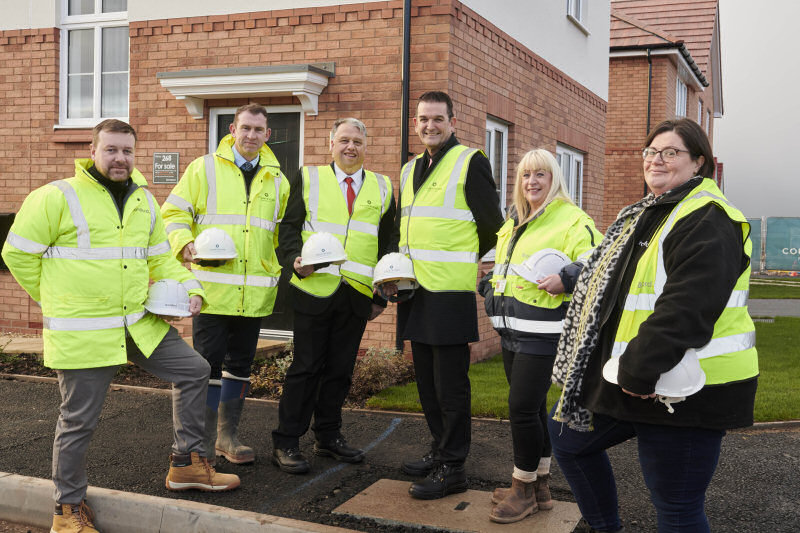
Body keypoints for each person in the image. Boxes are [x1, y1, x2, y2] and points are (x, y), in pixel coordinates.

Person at [1, 119, 240, 533]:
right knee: (79, 421)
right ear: (91, 151)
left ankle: (185, 465)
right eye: (111, 149)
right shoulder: (56, 196)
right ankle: (67, 510)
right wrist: (58, 299)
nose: (120, 158)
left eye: (127, 151)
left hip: (136, 325)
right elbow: (17, 255)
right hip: (85, 333)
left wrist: (190, 285)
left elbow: (160, 258)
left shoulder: (143, 200)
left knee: (195, 370)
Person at [548, 118, 758, 533]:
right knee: (569, 442)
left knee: (677, 508)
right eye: (650, 152)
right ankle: (605, 527)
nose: (655, 160)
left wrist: (639, 370)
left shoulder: (709, 219)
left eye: (670, 152)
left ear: (699, 163)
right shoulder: (649, 214)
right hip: (637, 375)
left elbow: (687, 308)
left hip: (688, 388)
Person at [162, 103, 290, 465]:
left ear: (268, 135)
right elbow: (173, 212)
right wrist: (182, 244)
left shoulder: (278, 179)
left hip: (253, 296)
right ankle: (198, 445)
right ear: (233, 129)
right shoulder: (203, 168)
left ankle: (227, 438)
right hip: (212, 293)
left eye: (258, 130)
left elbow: (283, 233)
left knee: (241, 366)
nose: (251, 135)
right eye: (245, 128)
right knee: (206, 367)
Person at [479, 149, 602, 523]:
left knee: (520, 408)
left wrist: (566, 278)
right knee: (529, 409)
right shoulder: (516, 218)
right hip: (514, 330)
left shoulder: (571, 218)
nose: (532, 182)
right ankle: (540, 484)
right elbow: (506, 265)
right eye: (527, 175)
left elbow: (598, 259)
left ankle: (523, 489)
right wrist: (489, 287)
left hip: (543, 333)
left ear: (555, 180)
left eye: (541, 175)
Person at [271, 117, 397, 474]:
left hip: (357, 293)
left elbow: (388, 243)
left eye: (357, 141)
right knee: (306, 368)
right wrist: (294, 261)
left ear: (366, 146)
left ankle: (328, 437)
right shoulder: (308, 177)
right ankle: (286, 441)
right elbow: (289, 228)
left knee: (340, 370)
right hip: (314, 289)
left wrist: (380, 297)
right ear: (331, 144)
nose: (350, 147)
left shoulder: (383, 187)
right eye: (344, 140)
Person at [397, 91, 504, 500]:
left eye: (437, 119)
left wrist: (481, 268)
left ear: (452, 122)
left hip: (449, 293)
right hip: (414, 292)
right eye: (423, 119)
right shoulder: (409, 170)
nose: (430, 125)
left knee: (450, 386)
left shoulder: (470, 161)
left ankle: (454, 466)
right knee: (425, 382)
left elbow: (493, 226)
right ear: (416, 123)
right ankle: (439, 449)